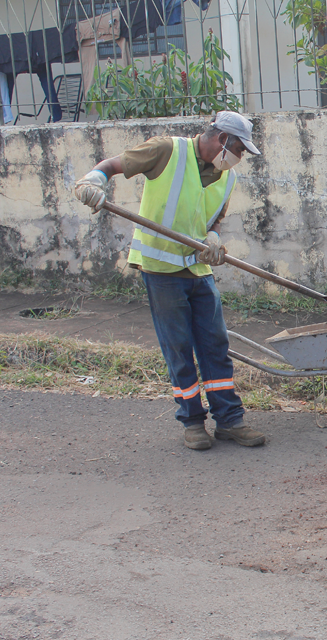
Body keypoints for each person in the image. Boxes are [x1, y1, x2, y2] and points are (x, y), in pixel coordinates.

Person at [73, 111, 266, 451]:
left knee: (215, 346)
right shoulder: (167, 151)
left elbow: (214, 219)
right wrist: (92, 181)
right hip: (161, 272)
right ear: (222, 139)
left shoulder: (227, 177)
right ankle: (192, 422)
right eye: (239, 149)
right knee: (179, 348)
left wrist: (212, 237)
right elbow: (114, 165)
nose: (239, 158)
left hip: (198, 271)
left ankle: (230, 421)